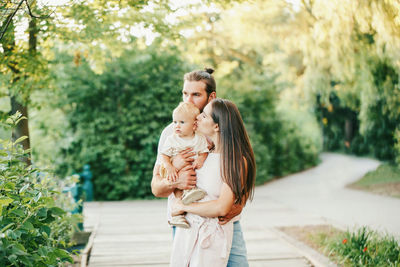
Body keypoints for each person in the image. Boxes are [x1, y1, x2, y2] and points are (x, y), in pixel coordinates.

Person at [151, 68, 250, 266]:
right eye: (185, 93)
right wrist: (176, 178)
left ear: (211, 96)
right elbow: (156, 187)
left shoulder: (220, 125)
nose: (188, 100)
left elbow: (240, 171)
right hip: (188, 221)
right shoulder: (173, 131)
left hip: (225, 222)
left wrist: (238, 202)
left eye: (196, 95)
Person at [170, 98, 256, 266]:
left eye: (203, 116)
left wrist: (183, 207)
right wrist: (175, 165)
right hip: (187, 231)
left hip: (211, 235)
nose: (197, 118)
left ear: (216, 126)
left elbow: (222, 207)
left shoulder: (236, 161)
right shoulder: (203, 153)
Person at [160, 102, 209, 228]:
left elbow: (204, 152)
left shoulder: (199, 138)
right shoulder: (172, 139)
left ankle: (187, 196)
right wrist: (170, 167)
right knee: (178, 181)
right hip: (172, 170)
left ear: (194, 125)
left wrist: (201, 159)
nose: (177, 126)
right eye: (175, 122)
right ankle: (176, 213)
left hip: (189, 169)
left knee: (190, 174)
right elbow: (164, 155)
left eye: (182, 122)